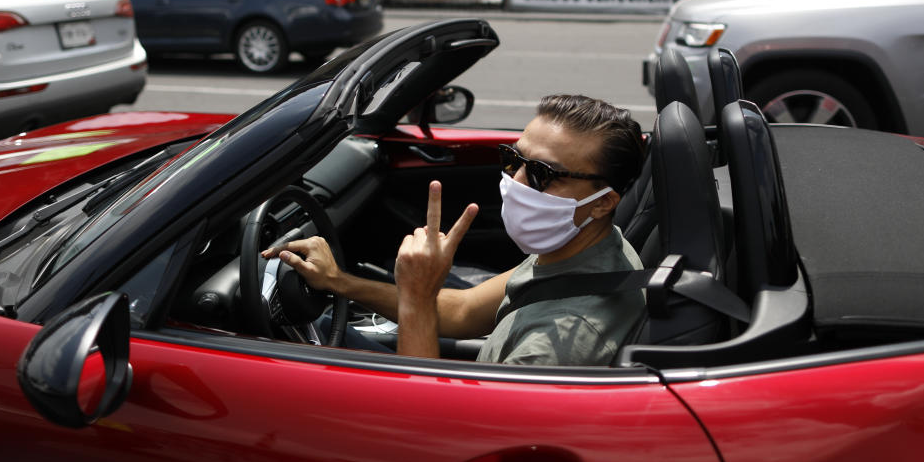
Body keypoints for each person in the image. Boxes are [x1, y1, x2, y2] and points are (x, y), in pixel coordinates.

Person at [265, 94, 647, 366]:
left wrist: (417, 296)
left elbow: (433, 429)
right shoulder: (584, 251)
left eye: (542, 174)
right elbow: (465, 311)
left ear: (603, 202)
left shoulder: (562, 342)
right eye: (513, 159)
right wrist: (339, 282)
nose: (516, 181)